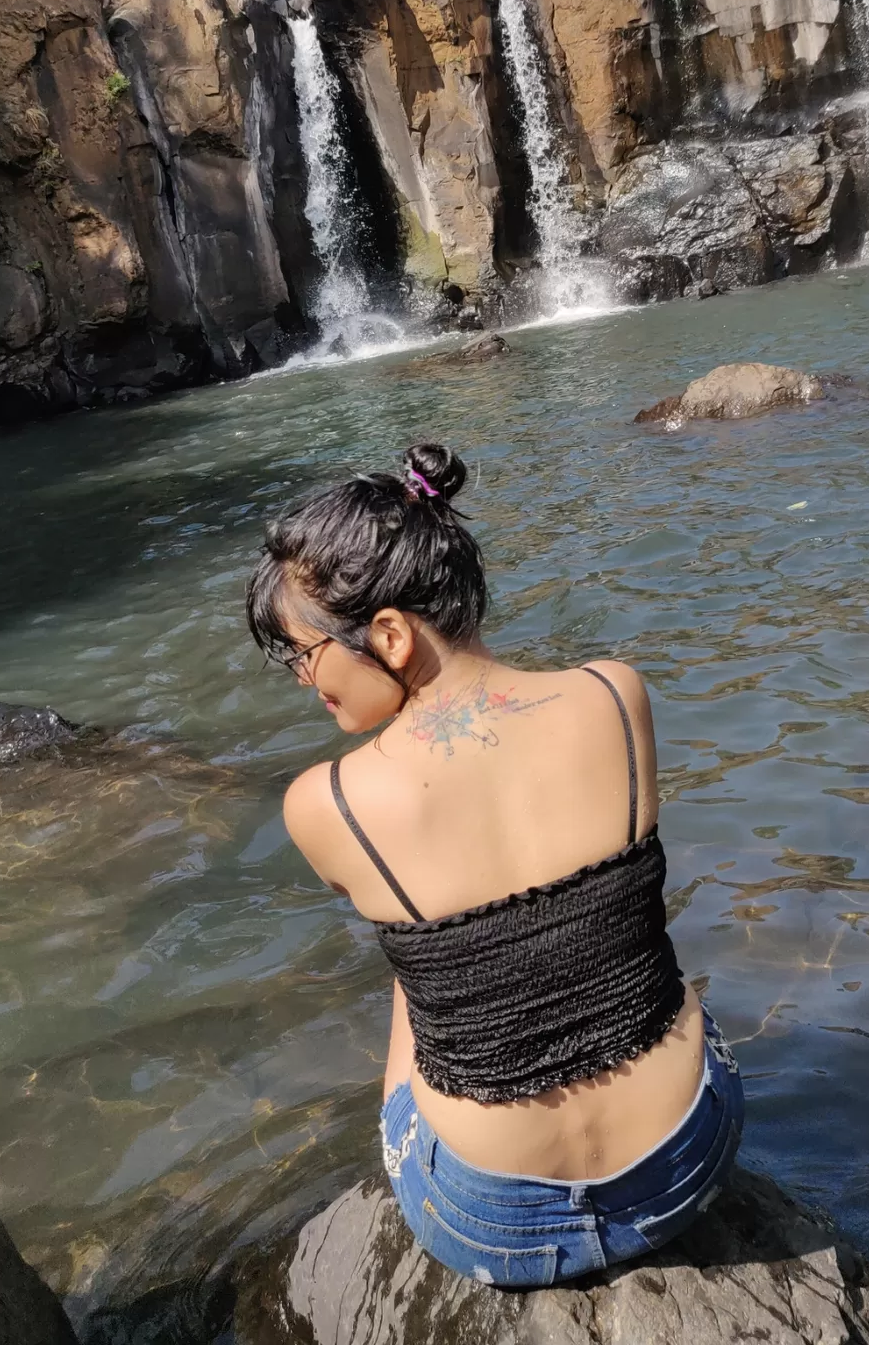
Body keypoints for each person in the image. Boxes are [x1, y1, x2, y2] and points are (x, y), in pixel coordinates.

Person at [246, 440, 743, 1288]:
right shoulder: (615, 693)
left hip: (495, 1226)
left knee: (416, 958)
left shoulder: (325, 804)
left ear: (391, 634)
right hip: (690, 1162)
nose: (303, 680)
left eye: (303, 652)